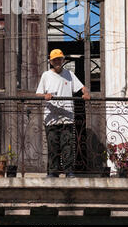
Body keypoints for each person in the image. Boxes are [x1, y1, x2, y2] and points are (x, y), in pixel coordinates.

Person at [36, 48, 90, 178]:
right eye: (55, 60)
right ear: (51, 62)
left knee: (67, 145)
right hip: (51, 118)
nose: (57, 62)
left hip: (67, 117)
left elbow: (81, 87)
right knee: (53, 145)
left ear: (63, 60)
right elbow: (38, 93)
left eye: (59, 59)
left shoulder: (69, 74)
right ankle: (53, 172)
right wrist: (45, 96)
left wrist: (86, 93)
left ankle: (68, 171)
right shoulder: (46, 75)